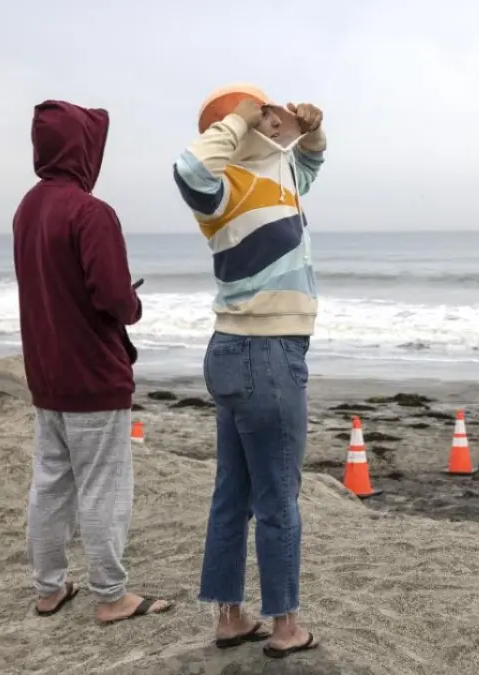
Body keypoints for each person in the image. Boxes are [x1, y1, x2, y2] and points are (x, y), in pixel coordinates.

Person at [172, 84, 325, 658]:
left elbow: (309, 161)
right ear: (234, 128)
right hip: (264, 353)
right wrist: (238, 116)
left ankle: (231, 618)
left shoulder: (277, 178)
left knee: (234, 492)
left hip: (240, 353)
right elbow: (189, 167)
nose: (270, 118)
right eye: (260, 113)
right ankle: (286, 626)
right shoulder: (221, 188)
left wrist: (312, 128)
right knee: (279, 496)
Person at [13, 99, 173, 623]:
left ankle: (48, 588)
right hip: (93, 374)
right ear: (84, 149)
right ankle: (111, 596)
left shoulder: (27, 208)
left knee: (50, 483)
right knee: (104, 486)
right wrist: (133, 302)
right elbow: (112, 299)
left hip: (46, 372)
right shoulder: (91, 212)